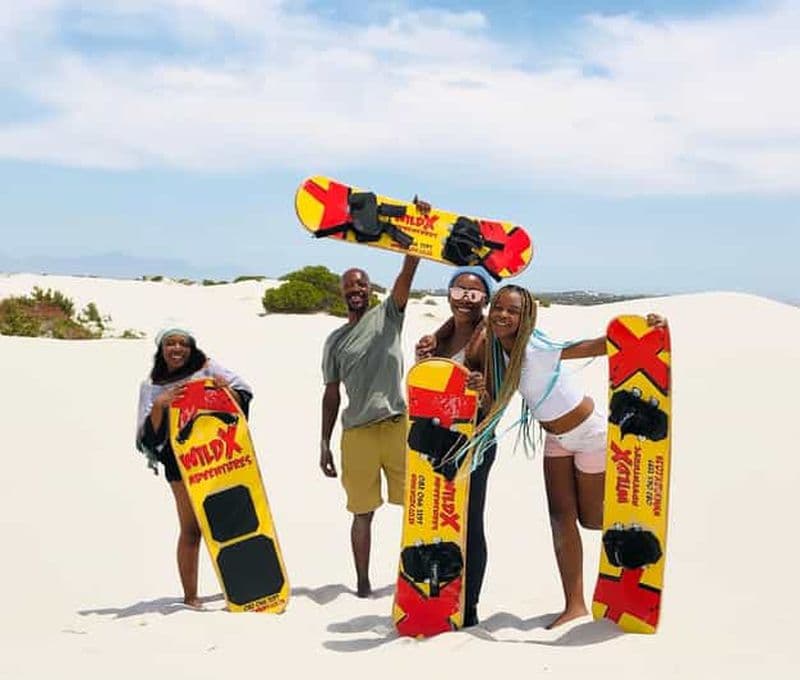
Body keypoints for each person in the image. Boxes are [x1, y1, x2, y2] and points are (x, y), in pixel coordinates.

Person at [465, 284, 667, 628]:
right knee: (560, 518)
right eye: (498, 307)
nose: (502, 314)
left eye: (511, 310)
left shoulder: (536, 347)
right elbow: (485, 388)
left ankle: (637, 538)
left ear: (525, 316)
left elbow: (593, 346)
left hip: (590, 435)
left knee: (591, 520)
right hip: (556, 439)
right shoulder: (497, 351)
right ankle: (574, 604)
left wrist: (646, 329)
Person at [320, 254, 421, 597]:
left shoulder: (389, 315)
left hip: (396, 426)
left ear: (370, 288)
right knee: (362, 513)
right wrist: (324, 442)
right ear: (342, 292)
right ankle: (363, 585)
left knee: (416, 506)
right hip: (357, 434)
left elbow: (406, 277)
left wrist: (413, 253)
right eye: (349, 285)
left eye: (361, 283)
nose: (356, 289)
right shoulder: (335, 341)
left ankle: (417, 575)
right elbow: (331, 394)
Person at [135, 328, 253, 608]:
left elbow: (244, 392)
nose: (177, 349)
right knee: (191, 529)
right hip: (179, 463)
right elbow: (146, 436)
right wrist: (160, 407)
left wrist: (226, 390)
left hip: (219, 455)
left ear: (191, 347)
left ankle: (242, 590)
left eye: (183, 343)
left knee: (229, 524)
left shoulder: (207, 367)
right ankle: (190, 596)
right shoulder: (152, 385)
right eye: (170, 343)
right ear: (161, 349)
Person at [414, 265, 495, 627]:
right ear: (448, 294)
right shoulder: (439, 338)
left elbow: (498, 401)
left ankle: (470, 606)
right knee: (436, 521)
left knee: (469, 524)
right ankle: (439, 594)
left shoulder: (490, 338)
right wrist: (423, 362)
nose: (465, 299)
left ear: (485, 300)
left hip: (475, 443)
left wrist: (482, 392)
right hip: (439, 443)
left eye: (474, 294)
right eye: (459, 291)